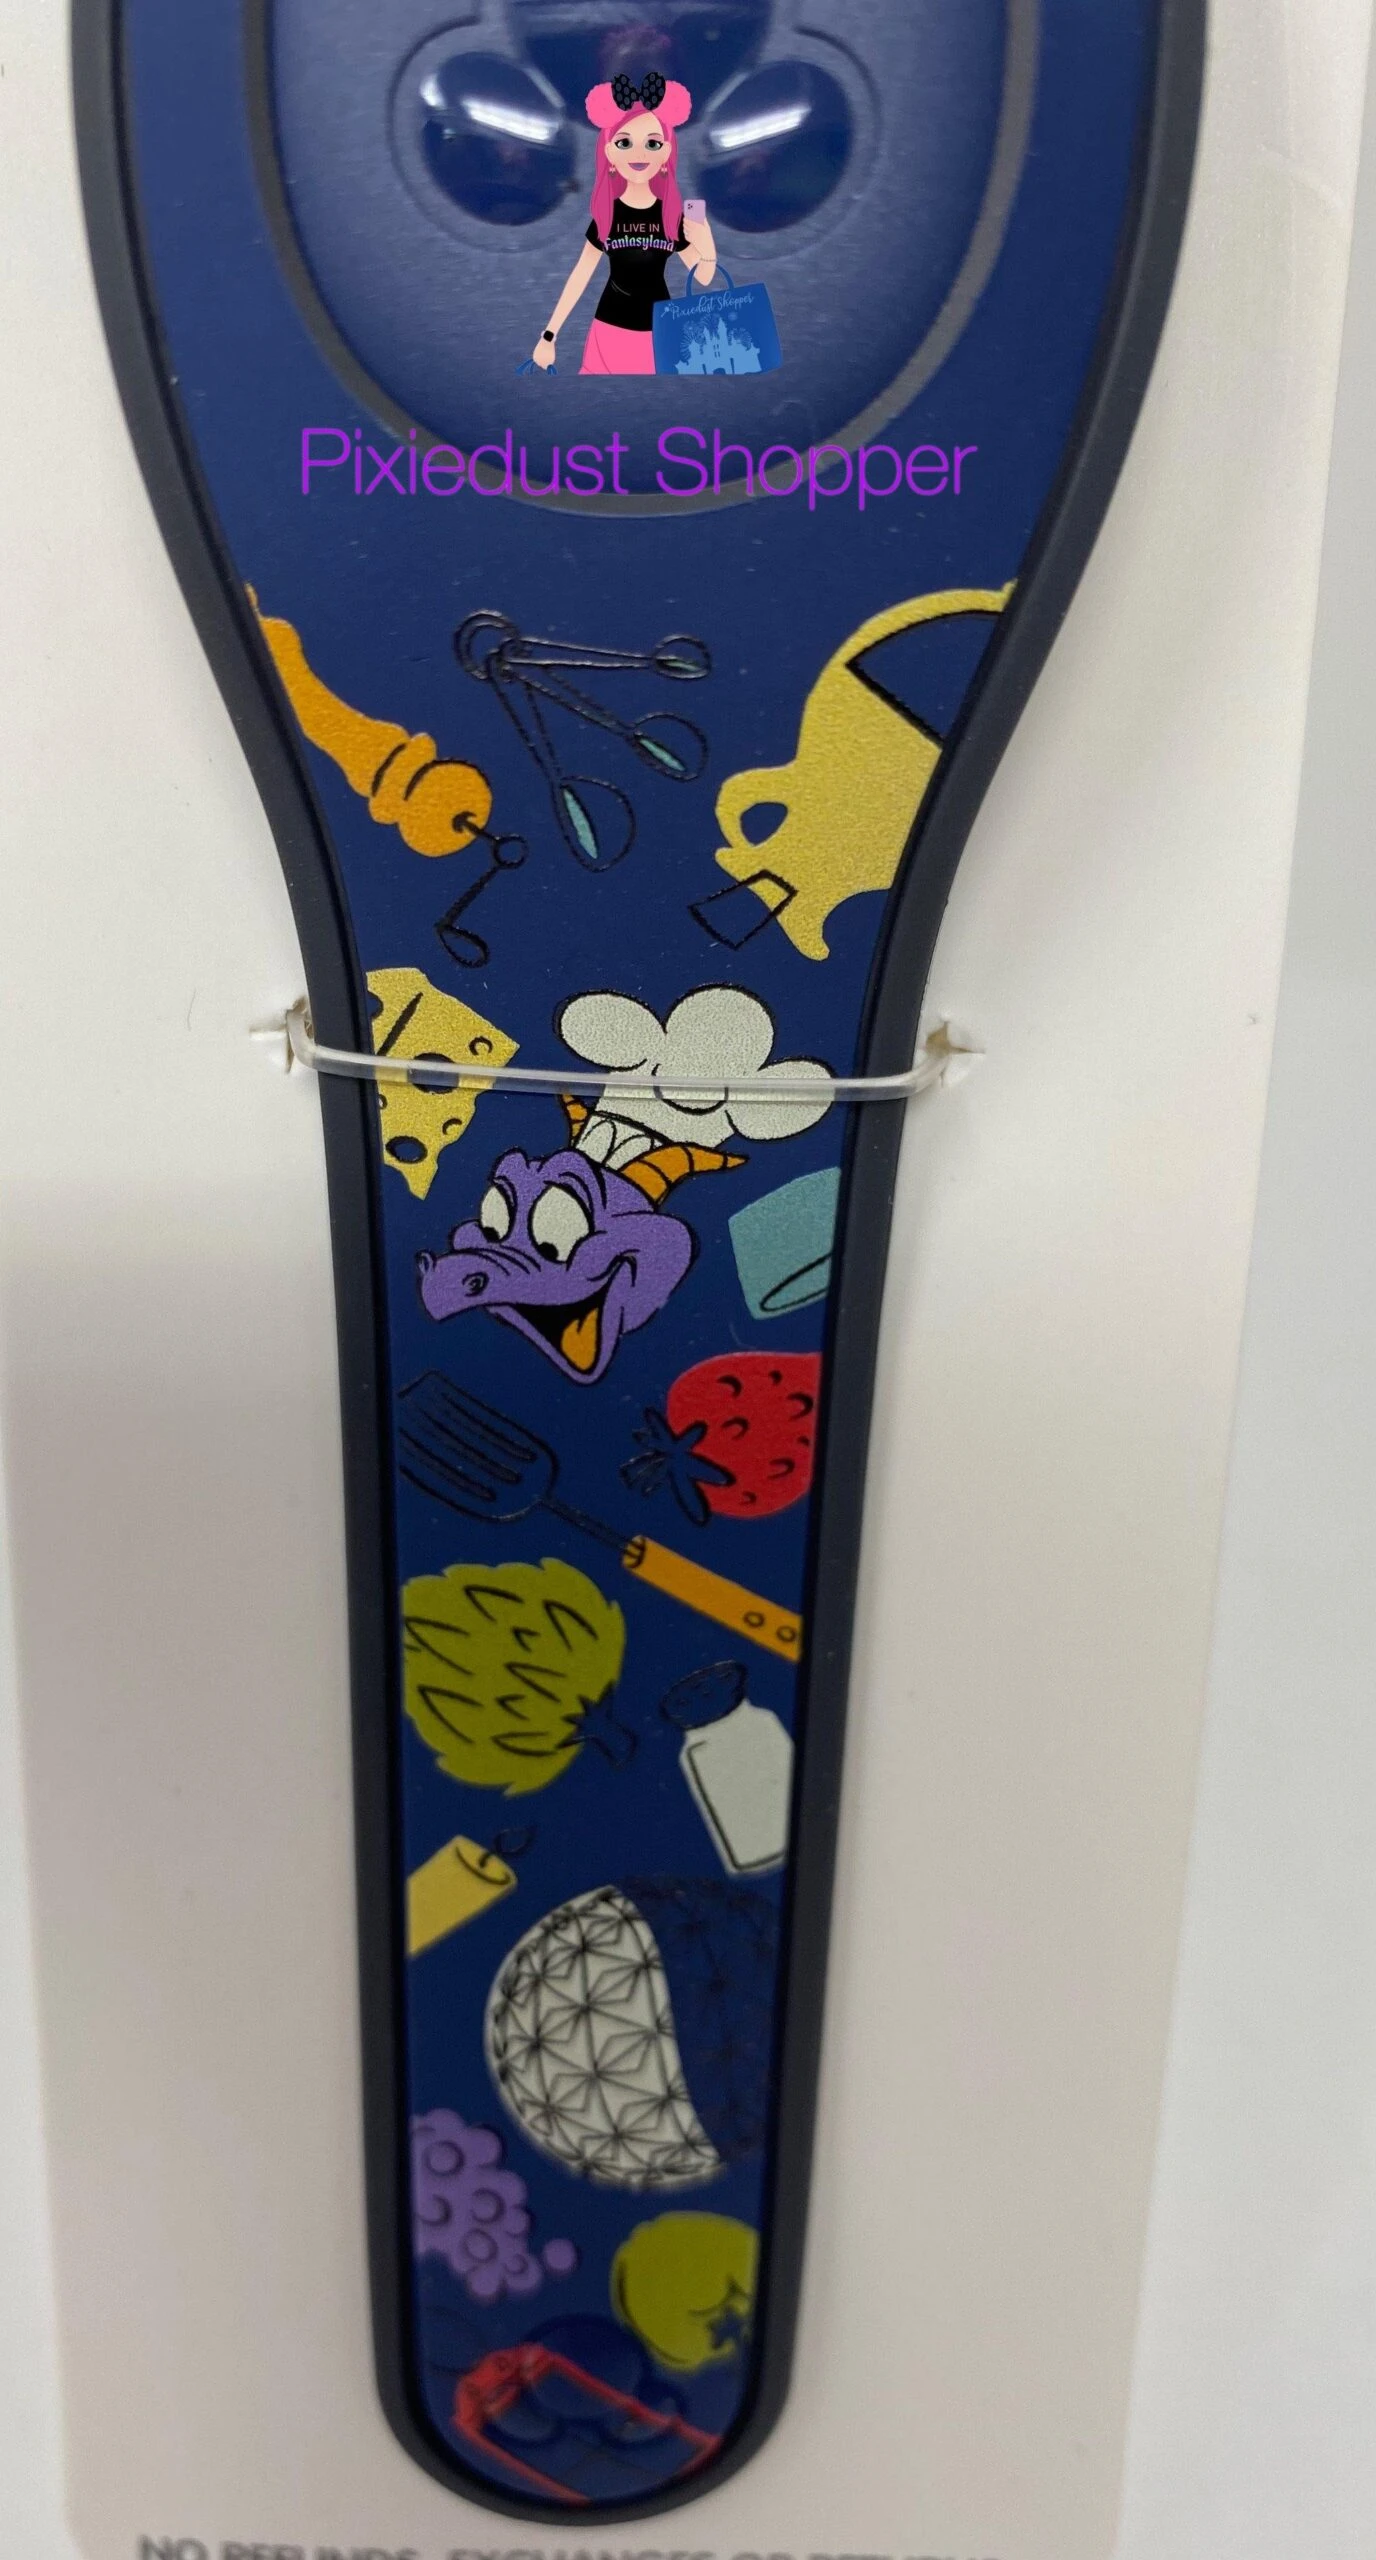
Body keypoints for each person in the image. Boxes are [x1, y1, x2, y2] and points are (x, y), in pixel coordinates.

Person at [532, 73, 717, 376]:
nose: (639, 153)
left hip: (661, 335)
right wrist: (549, 335)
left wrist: (706, 243)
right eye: (625, 142)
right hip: (609, 331)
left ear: (667, 151)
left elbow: (704, 277)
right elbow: (580, 276)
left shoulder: (672, 215)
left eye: (652, 143)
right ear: (609, 152)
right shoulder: (608, 214)